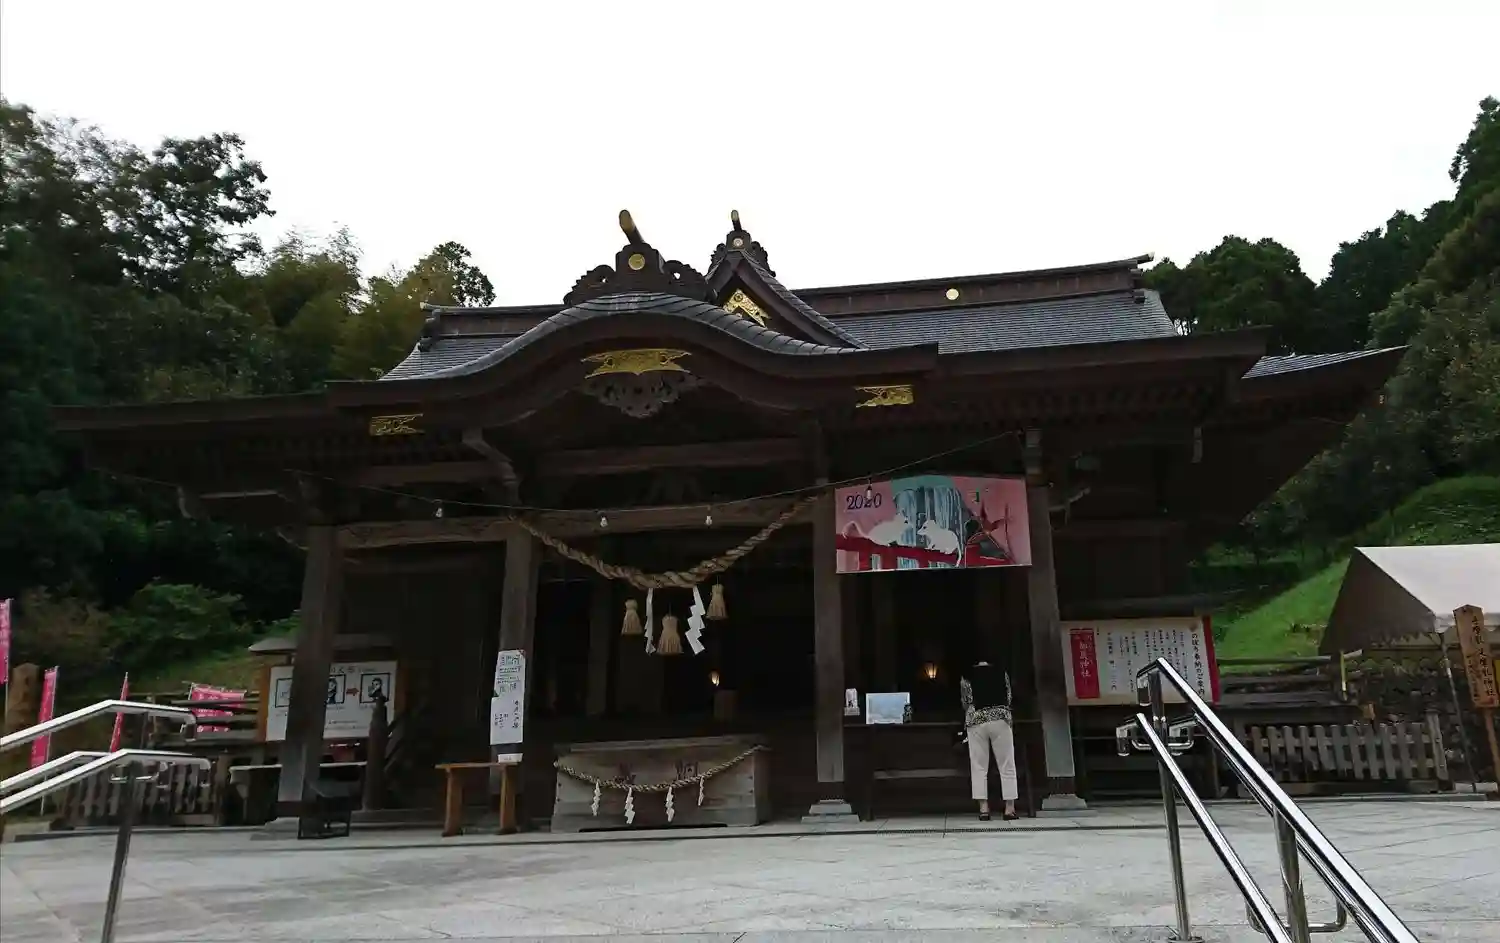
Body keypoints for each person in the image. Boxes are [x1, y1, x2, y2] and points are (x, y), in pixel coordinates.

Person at [960, 656, 1018, 821]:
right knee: (1007, 764)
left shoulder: (967, 676)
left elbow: (966, 701)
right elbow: (1008, 697)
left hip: (976, 720)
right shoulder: (1001, 673)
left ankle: (984, 808)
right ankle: (1009, 808)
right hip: (1000, 719)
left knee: (978, 765)